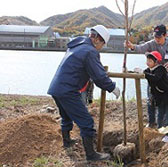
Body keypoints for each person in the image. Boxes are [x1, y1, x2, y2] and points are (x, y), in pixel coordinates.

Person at [47, 25, 120, 161]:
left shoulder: (76, 46)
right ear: (98, 39)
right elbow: (99, 76)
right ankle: (91, 155)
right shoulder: (90, 51)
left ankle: (67, 141)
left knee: (66, 116)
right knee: (86, 122)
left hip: (56, 88)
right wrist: (112, 87)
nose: (101, 47)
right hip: (68, 90)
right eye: (103, 44)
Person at [126, 24, 168, 130]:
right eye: (155, 36)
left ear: (165, 35)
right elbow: (141, 48)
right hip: (153, 76)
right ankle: (151, 122)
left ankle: (166, 125)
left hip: (167, 77)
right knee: (151, 99)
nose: (157, 39)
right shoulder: (152, 44)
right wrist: (132, 46)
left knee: (167, 100)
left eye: (159, 37)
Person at [134, 51, 168, 129]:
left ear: (156, 62)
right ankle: (160, 131)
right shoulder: (148, 70)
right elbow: (145, 75)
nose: (147, 63)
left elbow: (155, 77)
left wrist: (143, 73)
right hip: (160, 98)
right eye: (147, 60)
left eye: (150, 61)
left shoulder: (161, 69)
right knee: (160, 115)